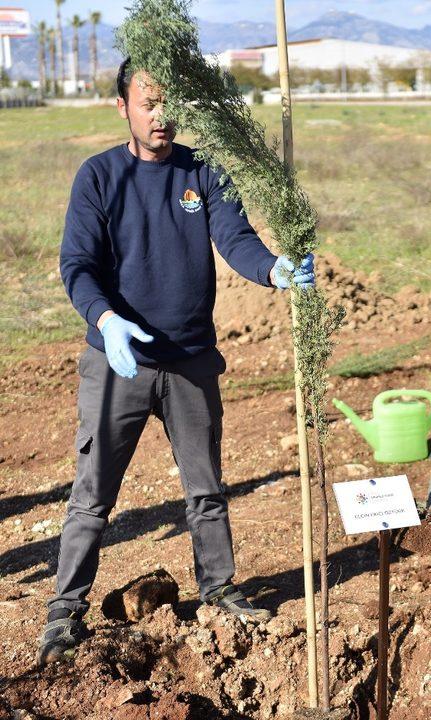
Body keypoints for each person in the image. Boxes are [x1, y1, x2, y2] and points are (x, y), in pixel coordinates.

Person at [37, 58, 315, 665]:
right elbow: (76, 265)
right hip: (117, 363)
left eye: (168, 104)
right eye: (147, 103)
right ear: (123, 108)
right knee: (92, 494)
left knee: (206, 489)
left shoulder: (202, 172)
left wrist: (271, 269)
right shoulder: (99, 177)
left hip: (190, 361)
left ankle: (218, 591)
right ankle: (64, 612)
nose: (160, 116)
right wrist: (106, 322)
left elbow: (235, 238)